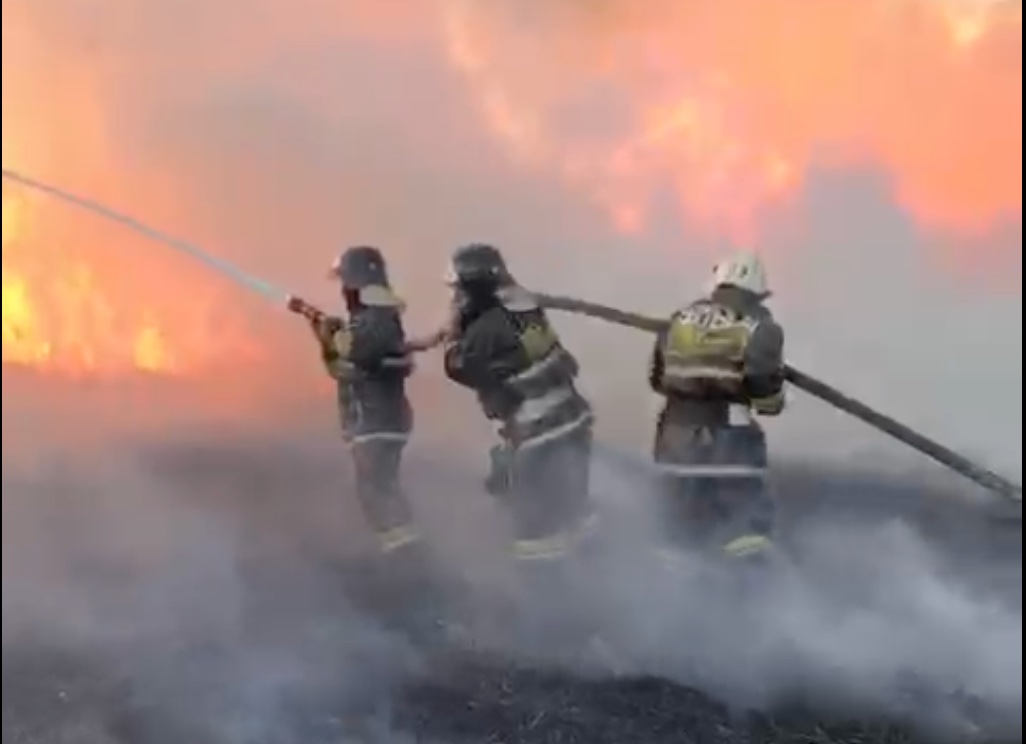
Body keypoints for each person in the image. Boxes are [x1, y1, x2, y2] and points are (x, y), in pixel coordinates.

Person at [438, 243, 596, 565]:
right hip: (573, 422)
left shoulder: (486, 329)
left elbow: (456, 366)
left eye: (459, 291)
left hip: (539, 433)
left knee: (531, 526)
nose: (456, 298)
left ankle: (542, 589)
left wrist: (455, 329)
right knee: (569, 508)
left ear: (472, 287)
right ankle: (586, 570)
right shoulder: (527, 312)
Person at [648, 252, 786, 562]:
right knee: (746, 528)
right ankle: (746, 594)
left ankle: (672, 596)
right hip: (729, 441)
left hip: (674, 437)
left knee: (677, 527)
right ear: (756, 293)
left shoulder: (678, 320)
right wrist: (772, 400)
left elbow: (657, 379)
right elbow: (765, 394)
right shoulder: (760, 327)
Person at [288, 245, 420, 559]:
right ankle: (405, 556)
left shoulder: (375, 320)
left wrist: (328, 336)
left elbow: (353, 362)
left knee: (377, 493)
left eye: (346, 281)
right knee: (378, 492)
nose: (344, 289)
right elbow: (346, 363)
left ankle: (411, 563)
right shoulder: (373, 318)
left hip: (377, 420)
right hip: (378, 419)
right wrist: (322, 330)